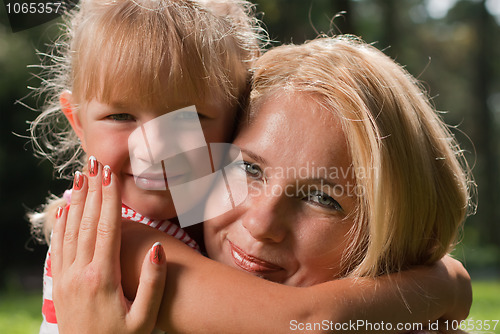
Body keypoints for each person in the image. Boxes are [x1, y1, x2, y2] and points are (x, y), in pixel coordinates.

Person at [50, 36, 474, 333]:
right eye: (248, 169)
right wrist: (442, 286)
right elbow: (311, 323)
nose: (260, 222)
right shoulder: (123, 244)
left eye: (321, 198)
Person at [28, 0, 262, 332]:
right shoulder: (117, 239)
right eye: (120, 116)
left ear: (237, 122)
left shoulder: (207, 220)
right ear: (78, 123)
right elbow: (299, 318)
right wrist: (362, 296)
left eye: (189, 118)